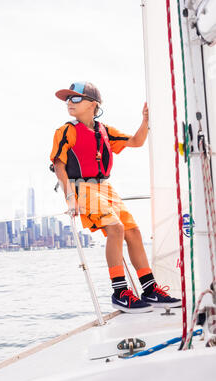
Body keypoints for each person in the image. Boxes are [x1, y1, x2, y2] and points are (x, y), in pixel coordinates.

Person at [50, 81, 181, 313]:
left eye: (76, 98)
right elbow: (59, 165)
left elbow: (136, 142)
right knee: (116, 228)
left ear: (93, 104)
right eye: (68, 99)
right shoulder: (66, 131)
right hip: (82, 187)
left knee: (133, 231)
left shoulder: (105, 131)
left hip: (106, 188)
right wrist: (69, 196)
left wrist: (145, 121)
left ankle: (149, 289)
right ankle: (120, 292)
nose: (70, 103)